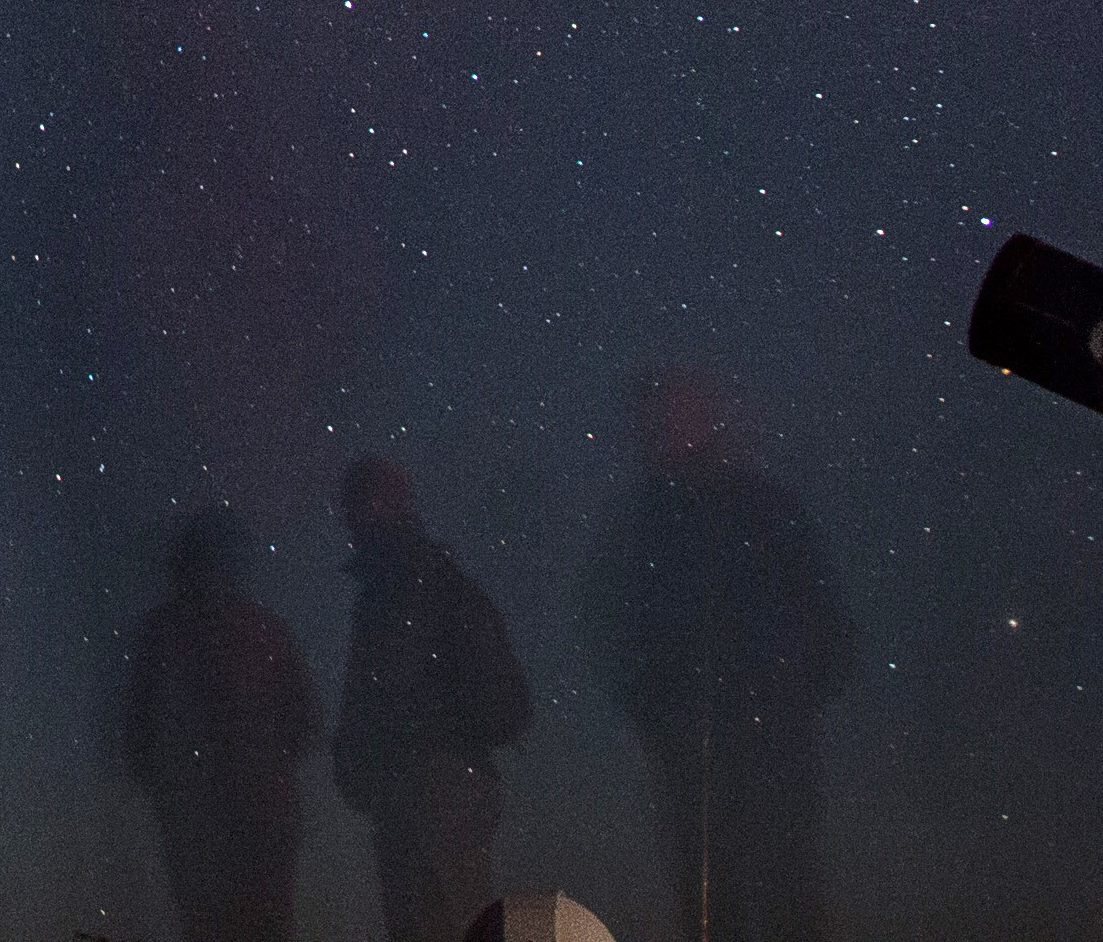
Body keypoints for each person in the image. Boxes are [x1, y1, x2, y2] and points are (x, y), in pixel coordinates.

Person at [582, 371, 851, 942]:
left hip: (768, 742)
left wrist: (786, 696)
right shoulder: (649, 521)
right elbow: (624, 629)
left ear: (702, 418)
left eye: (673, 415)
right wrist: (657, 711)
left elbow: (822, 619)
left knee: (785, 893)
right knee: (712, 897)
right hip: (694, 746)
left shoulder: (758, 506)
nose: (661, 431)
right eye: (653, 420)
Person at [331, 460, 527, 942]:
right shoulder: (395, 596)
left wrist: (427, 746)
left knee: (450, 922)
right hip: (414, 794)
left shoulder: (428, 592)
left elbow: (502, 702)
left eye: (363, 505)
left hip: (439, 792)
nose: (355, 522)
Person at [119, 511, 315, 942]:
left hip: (211, 813)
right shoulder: (263, 628)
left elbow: (137, 732)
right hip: (249, 808)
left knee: (216, 923)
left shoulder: (165, 632)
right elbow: (307, 723)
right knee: (258, 924)